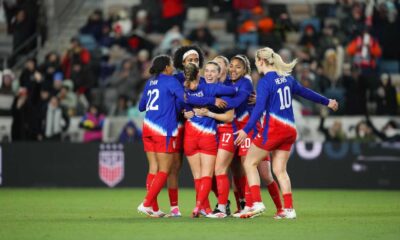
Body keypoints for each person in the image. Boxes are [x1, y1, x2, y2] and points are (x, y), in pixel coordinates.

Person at [234, 47, 338, 219]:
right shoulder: (287, 78)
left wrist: (245, 130)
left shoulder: (265, 81)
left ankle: (257, 203)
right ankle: (289, 209)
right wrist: (327, 101)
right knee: (280, 170)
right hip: (290, 130)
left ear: (261, 61)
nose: (256, 66)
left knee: (250, 163)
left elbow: (259, 110)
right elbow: (305, 92)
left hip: (274, 130)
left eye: (256, 62)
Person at [137, 55, 209, 217]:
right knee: (165, 169)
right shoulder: (170, 81)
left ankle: (153, 209)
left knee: (153, 168)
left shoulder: (150, 82)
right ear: (166, 68)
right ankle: (147, 203)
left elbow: (142, 106)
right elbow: (184, 99)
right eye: (171, 66)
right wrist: (207, 99)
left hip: (147, 128)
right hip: (163, 130)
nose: (173, 68)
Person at [181, 63, 237, 218]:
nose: (210, 74)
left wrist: (188, 110)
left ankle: (204, 208)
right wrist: (213, 100)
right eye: (208, 71)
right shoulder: (213, 89)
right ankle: (201, 207)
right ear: (201, 73)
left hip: (192, 134)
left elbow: (184, 100)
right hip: (207, 135)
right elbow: (233, 90)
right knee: (207, 174)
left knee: (199, 175)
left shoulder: (189, 88)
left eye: (213, 71)